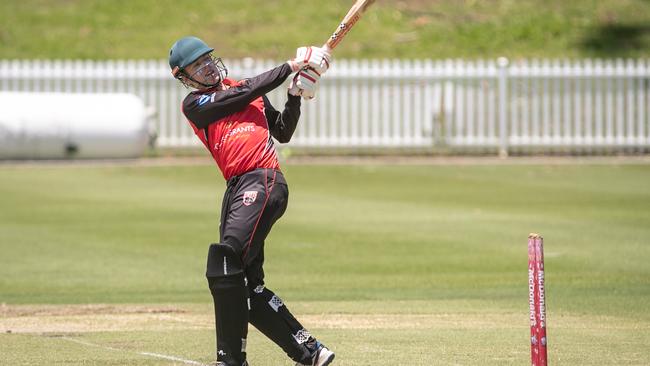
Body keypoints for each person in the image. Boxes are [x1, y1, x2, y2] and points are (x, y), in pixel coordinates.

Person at [168, 36, 335, 366]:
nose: (207, 67)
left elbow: (282, 131)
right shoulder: (195, 104)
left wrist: (294, 97)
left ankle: (229, 360)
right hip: (236, 187)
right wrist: (290, 68)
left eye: (208, 59)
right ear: (184, 77)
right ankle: (310, 351)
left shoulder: (245, 90)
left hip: (262, 179)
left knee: (225, 262)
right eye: (197, 65)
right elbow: (241, 95)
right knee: (245, 284)